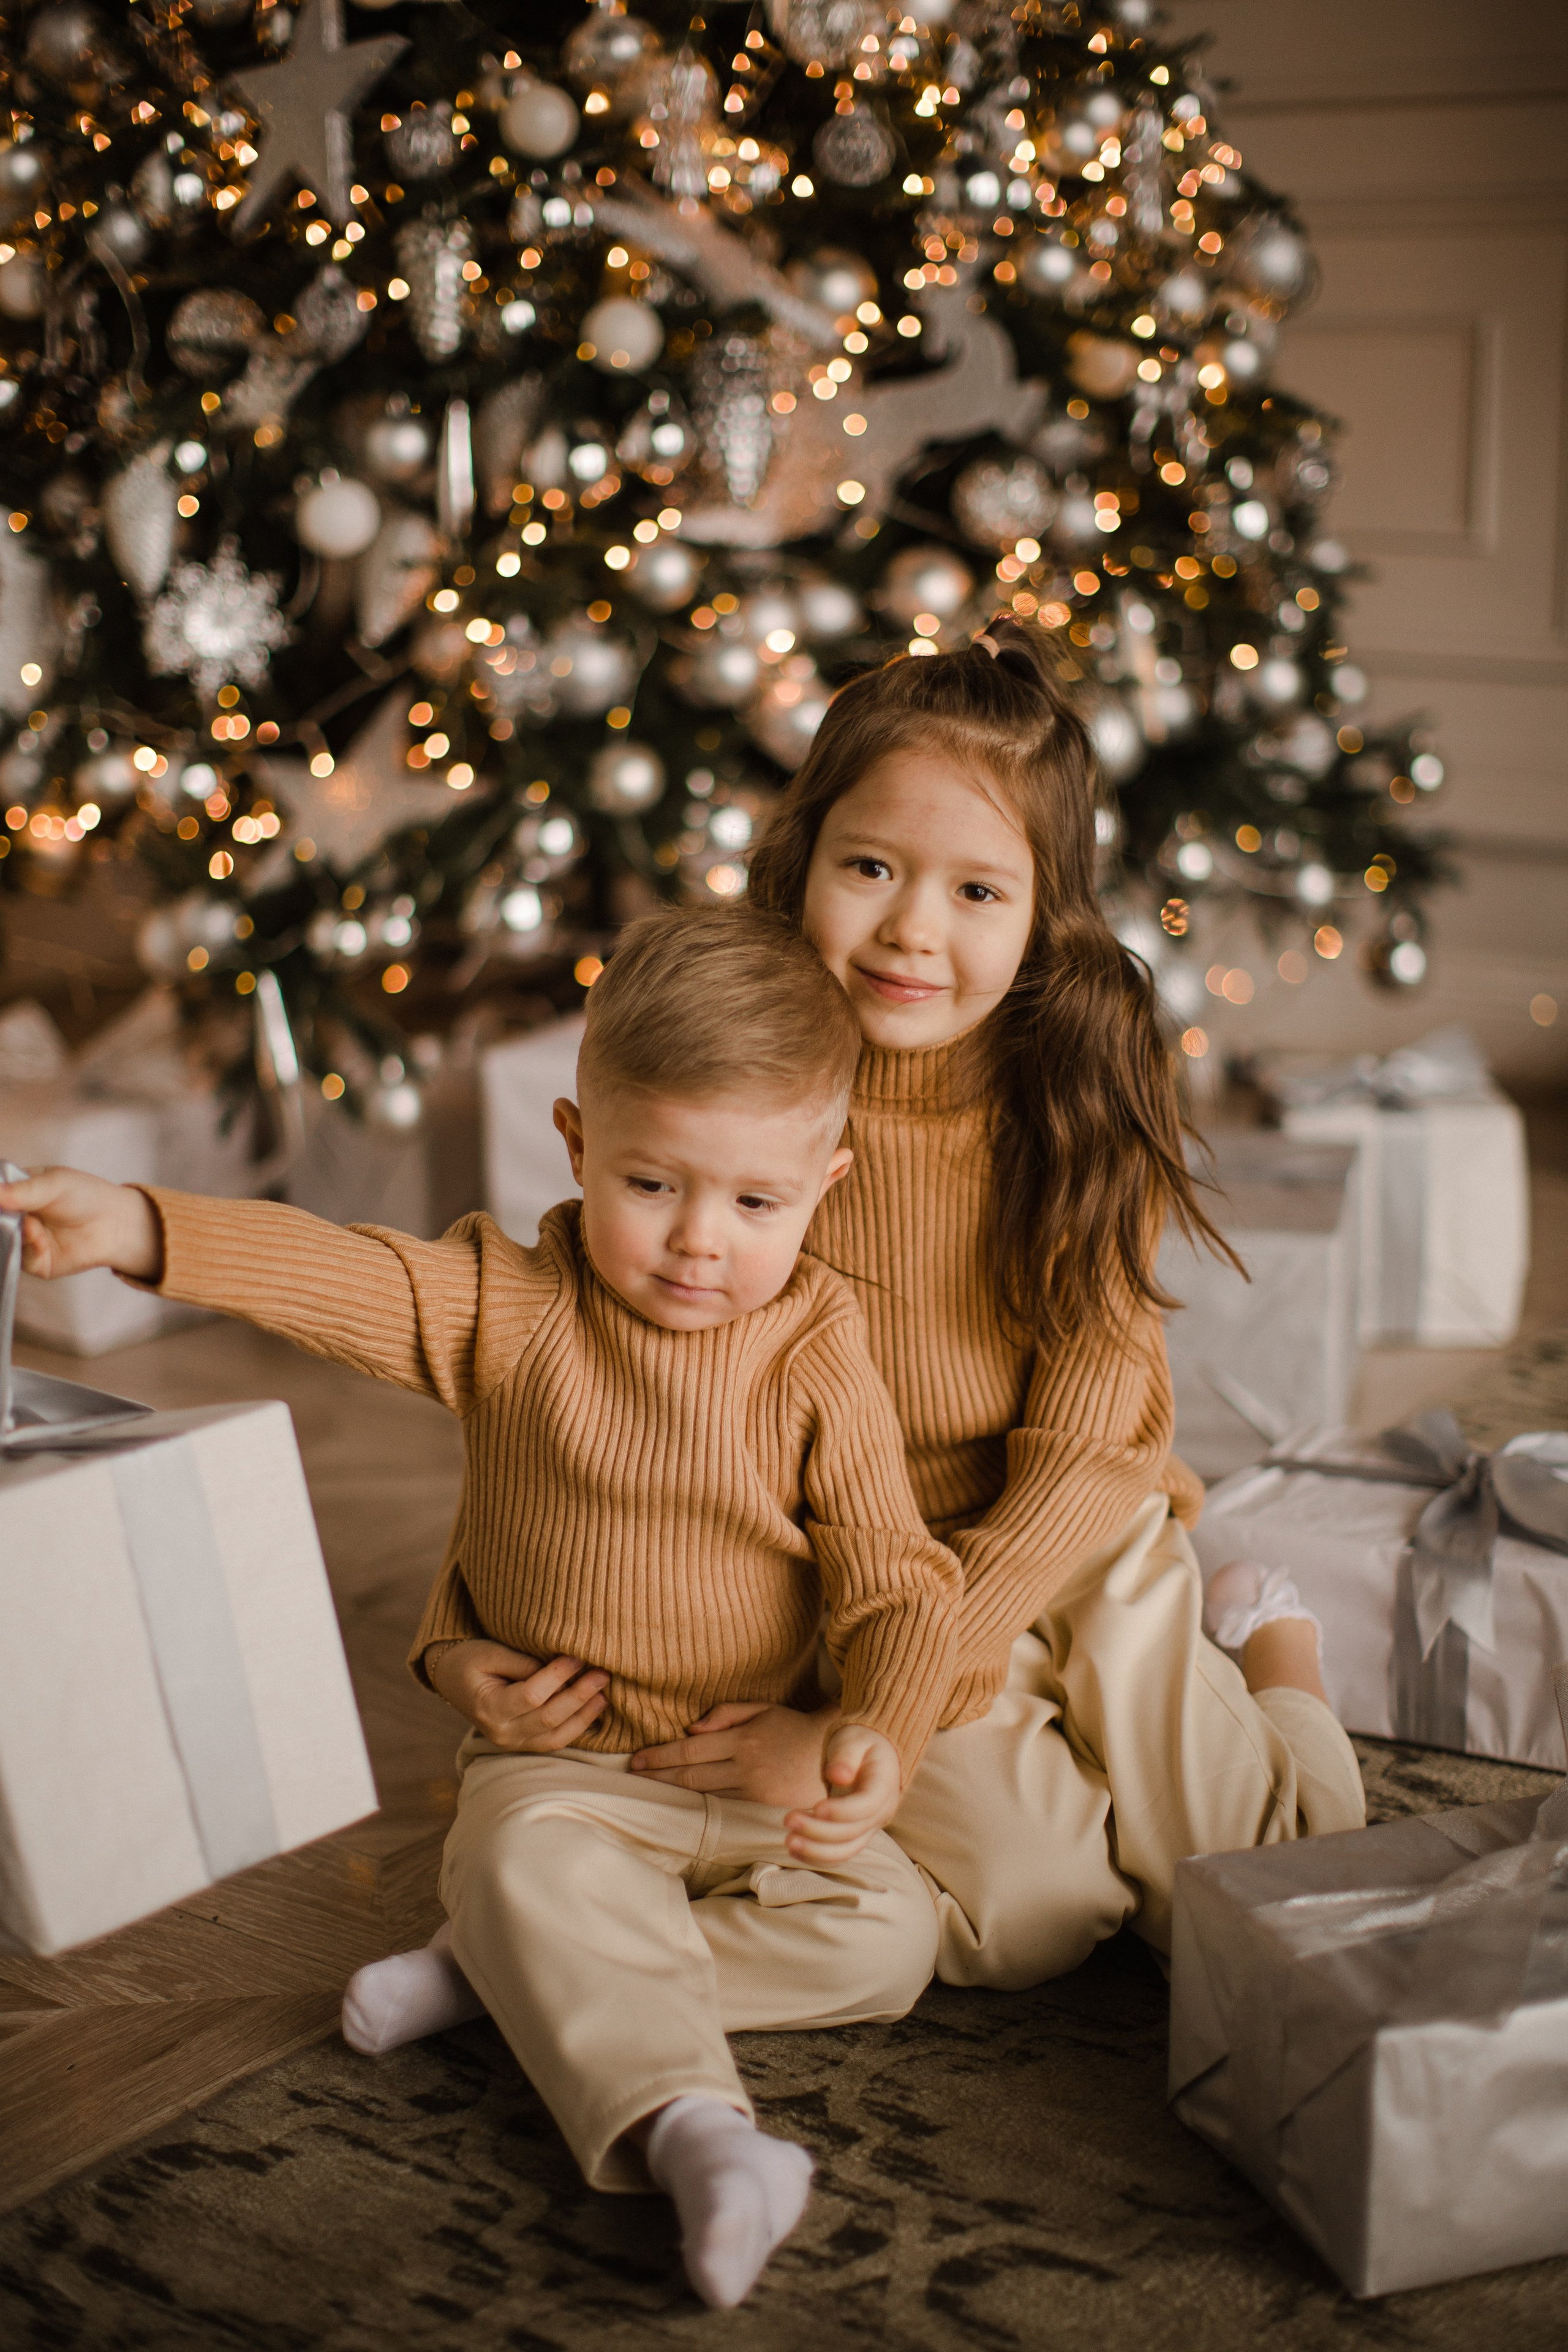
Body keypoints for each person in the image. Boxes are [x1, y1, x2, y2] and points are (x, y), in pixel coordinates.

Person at [1, 908, 965, 2311]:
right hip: (568, 1775)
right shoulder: (512, 1305)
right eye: (653, 1184)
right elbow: (342, 1275)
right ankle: (698, 2133)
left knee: (893, 1935)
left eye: (755, 1204)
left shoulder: (819, 1351)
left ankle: (506, 1978)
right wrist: (149, 1227)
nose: (700, 1243)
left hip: (756, 1767)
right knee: (516, 1865)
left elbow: (894, 1575)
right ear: (576, 1147)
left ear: (828, 1180)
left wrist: (877, 1719)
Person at [627, 617, 1366, 1985]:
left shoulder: (1068, 1096)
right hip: (860, 1569)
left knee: (1282, 1865)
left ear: (1039, 919)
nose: (913, 927)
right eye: (870, 869)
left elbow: (1090, 1444)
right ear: (799, 867)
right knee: (1033, 1913)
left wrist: (931, 1673)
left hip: (1072, 1529)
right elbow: (568, 1342)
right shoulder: (739, 1078)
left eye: (977, 892)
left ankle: (1269, 1645)